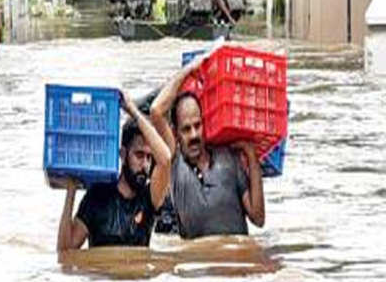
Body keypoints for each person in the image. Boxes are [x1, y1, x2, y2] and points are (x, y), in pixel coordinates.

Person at [149, 58, 265, 239]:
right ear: (175, 133)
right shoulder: (174, 165)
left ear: (205, 124)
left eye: (197, 125)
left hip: (236, 264)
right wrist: (187, 70)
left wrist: (251, 156)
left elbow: (258, 218)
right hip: (196, 265)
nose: (194, 135)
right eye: (186, 129)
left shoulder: (228, 158)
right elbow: (156, 110)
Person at [57, 91, 173, 252]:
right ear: (123, 155)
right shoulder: (97, 196)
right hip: (102, 276)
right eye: (139, 155)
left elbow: (166, 159)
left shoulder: (149, 199)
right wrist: (71, 190)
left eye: (149, 157)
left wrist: (132, 110)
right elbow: (65, 251)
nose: (145, 164)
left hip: (138, 276)